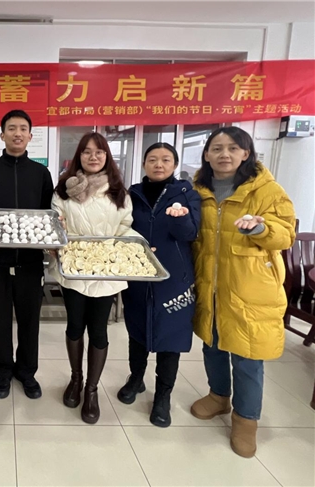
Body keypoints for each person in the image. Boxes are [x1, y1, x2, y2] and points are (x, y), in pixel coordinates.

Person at [189, 127, 295, 457]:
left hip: (249, 286)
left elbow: (286, 234)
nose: (225, 154)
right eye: (217, 148)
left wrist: (261, 228)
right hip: (210, 283)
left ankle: (246, 420)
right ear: (207, 154)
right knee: (212, 344)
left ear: (246, 154)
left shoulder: (266, 190)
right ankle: (218, 396)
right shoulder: (198, 190)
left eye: (233, 148)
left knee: (248, 355)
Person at [50, 132, 136, 423]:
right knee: (75, 327)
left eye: (99, 152)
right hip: (73, 267)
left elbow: (125, 227)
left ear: (107, 156)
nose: (93, 157)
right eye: (87, 152)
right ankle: (76, 378)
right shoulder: (63, 190)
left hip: (106, 271)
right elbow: (56, 223)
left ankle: (91, 389)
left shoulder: (119, 192)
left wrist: (128, 250)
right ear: (79, 156)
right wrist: (56, 238)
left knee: (98, 331)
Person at [120, 142, 202, 427]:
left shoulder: (187, 194)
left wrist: (180, 219)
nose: (159, 164)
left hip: (173, 278)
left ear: (175, 164)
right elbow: (123, 227)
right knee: (137, 330)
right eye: (153, 159)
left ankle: (163, 396)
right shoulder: (133, 194)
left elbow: (191, 233)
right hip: (139, 274)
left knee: (171, 338)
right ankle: (136, 379)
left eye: (166, 159)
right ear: (144, 163)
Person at [0, 110, 54, 400]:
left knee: (30, 322)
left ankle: (27, 372)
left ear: (30, 136)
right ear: (2, 134)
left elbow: (48, 215)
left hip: (30, 264)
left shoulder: (41, 174)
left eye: (23, 129)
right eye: (11, 128)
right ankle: (4, 372)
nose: (17, 133)